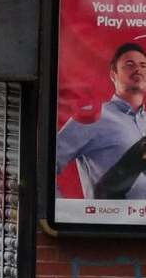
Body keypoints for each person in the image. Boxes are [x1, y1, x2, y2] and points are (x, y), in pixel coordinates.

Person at [53, 38, 146, 196]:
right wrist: (63, 210)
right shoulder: (92, 117)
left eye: (143, 65)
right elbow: (46, 164)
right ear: (113, 74)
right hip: (104, 218)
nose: (138, 69)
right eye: (129, 65)